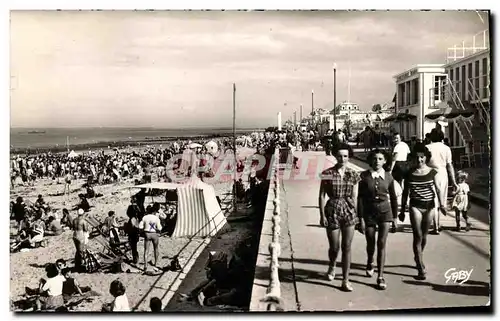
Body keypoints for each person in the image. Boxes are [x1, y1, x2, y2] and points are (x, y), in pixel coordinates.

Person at [398, 143, 447, 280]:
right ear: (413, 158)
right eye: (417, 157)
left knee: (424, 236)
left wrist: (442, 205)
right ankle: (420, 267)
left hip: (430, 206)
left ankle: (418, 254)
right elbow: (405, 193)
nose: (419, 160)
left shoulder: (433, 172)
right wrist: (402, 210)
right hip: (415, 206)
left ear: (426, 158)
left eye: (422, 157)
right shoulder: (409, 173)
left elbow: (438, 189)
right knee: (417, 235)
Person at [318, 143, 360, 292]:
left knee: (347, 247)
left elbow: (355, 196)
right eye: (340, 156)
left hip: (348, 210)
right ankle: (332, 265)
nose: (343, 158)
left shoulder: (354, 174)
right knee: (334, 247)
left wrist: (357, 214)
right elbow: (322, 195)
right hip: (332, 209)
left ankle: (345, 280)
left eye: (346, 156)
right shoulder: (327, 173)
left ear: (349, 157)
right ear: (335, 156)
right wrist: (322, 215)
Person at [357, 149, 399, 290]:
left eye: (380, 159)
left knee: (382, 243)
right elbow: (360, 198)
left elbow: (393, 198)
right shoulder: (363, 176)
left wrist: (395, 217)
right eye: (375, 159)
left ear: (385, 161)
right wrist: (360, 218)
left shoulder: (388, 177)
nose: (377, 161)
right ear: (370, 160)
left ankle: (380, 276)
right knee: (371, 242)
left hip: (385, 213)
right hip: (369, 213)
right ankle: (370, 261)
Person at [426, 128, 458, 234]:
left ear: (431, 137)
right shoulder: (446, 148)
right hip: (442, 174)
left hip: (429, 173)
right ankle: (437, 225)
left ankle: (435, 226)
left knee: (432, 201)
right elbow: (449, 165)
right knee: (441, 200)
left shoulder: (427, 147)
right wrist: (453, 181)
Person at [389, 132, 410, 233]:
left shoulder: (397, 147)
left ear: (400, 138)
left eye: (397, 138)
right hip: (405, 164)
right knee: (404, 184)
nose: (395, 139)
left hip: (398, 165)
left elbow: (394, 158)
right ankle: (404, 202)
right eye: (395, 138)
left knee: (396, 185)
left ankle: (399, 198)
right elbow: (408, 154)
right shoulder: (405, 145)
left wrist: (391, 169)